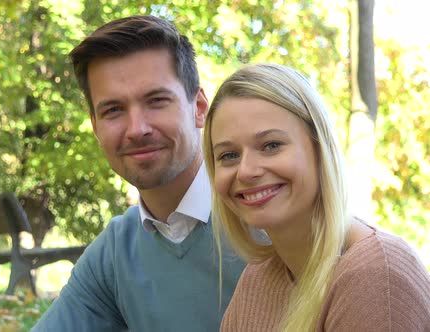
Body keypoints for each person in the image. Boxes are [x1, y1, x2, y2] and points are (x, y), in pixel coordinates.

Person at [31, 15, 246, 332]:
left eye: (157, 101)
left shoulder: (263, 218)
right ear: (95, 126)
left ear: (199, 108)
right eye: (113, 110)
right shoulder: (116, 254)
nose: (137, 129)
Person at [202, 63, 430, 331]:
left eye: (271, 145)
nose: (247, 171)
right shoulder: (260, 276)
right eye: (229, 155)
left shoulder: (376, 276)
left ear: (320, 149)